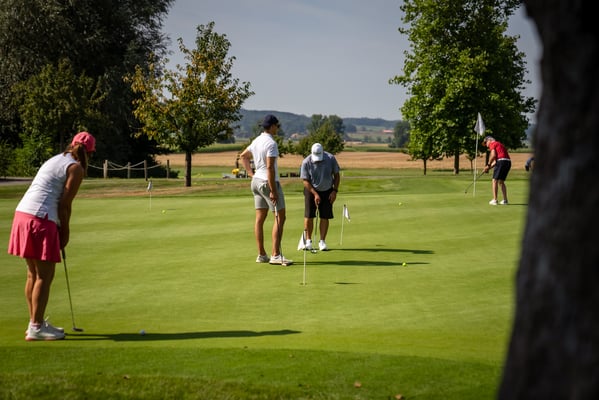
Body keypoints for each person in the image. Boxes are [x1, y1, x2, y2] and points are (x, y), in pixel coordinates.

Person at [8, 131, 96, 341]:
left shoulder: (56, 159)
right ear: (91, 153)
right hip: (40, 219)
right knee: (44, 276)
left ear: (71, 144)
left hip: (23, 215)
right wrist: (65, 232)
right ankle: (36, 327)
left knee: (33, 274)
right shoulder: (76, 168)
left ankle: (34, 322)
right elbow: (64, 205)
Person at [239, 115, 293, 265]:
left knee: (259, 218)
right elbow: (270, 167)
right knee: (280, 216)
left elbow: (243, 156)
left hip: (256, 182)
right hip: (267, 182)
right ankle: (275, 255)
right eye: (277, 126)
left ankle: (262, 254)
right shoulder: (271, 143)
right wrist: (273, 190)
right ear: (272, 126)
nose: (278, 129)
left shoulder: (256, 140)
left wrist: (251, 174)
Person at [299, 143, 340, 251]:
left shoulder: (330, 158)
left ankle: (322, 241)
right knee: (309, 215)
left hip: (327, 190)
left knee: (325, 216)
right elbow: (305, 181)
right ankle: (308, 241)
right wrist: (315, 194)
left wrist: (334, 191)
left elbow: (337, 175)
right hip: (310, 189)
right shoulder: (306, 162)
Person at [482, 136, 511, 205]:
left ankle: (495, 200)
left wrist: (488, 164)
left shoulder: (493, 143)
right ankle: (505, 200)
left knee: (494, 180)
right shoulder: (499, 144)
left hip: (501, 161)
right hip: (507, 162)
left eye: (486, 142)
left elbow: (493, 155)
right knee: (501, 181)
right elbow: (495, 162)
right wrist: (487, 168)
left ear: (489, 140)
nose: (486, 145)